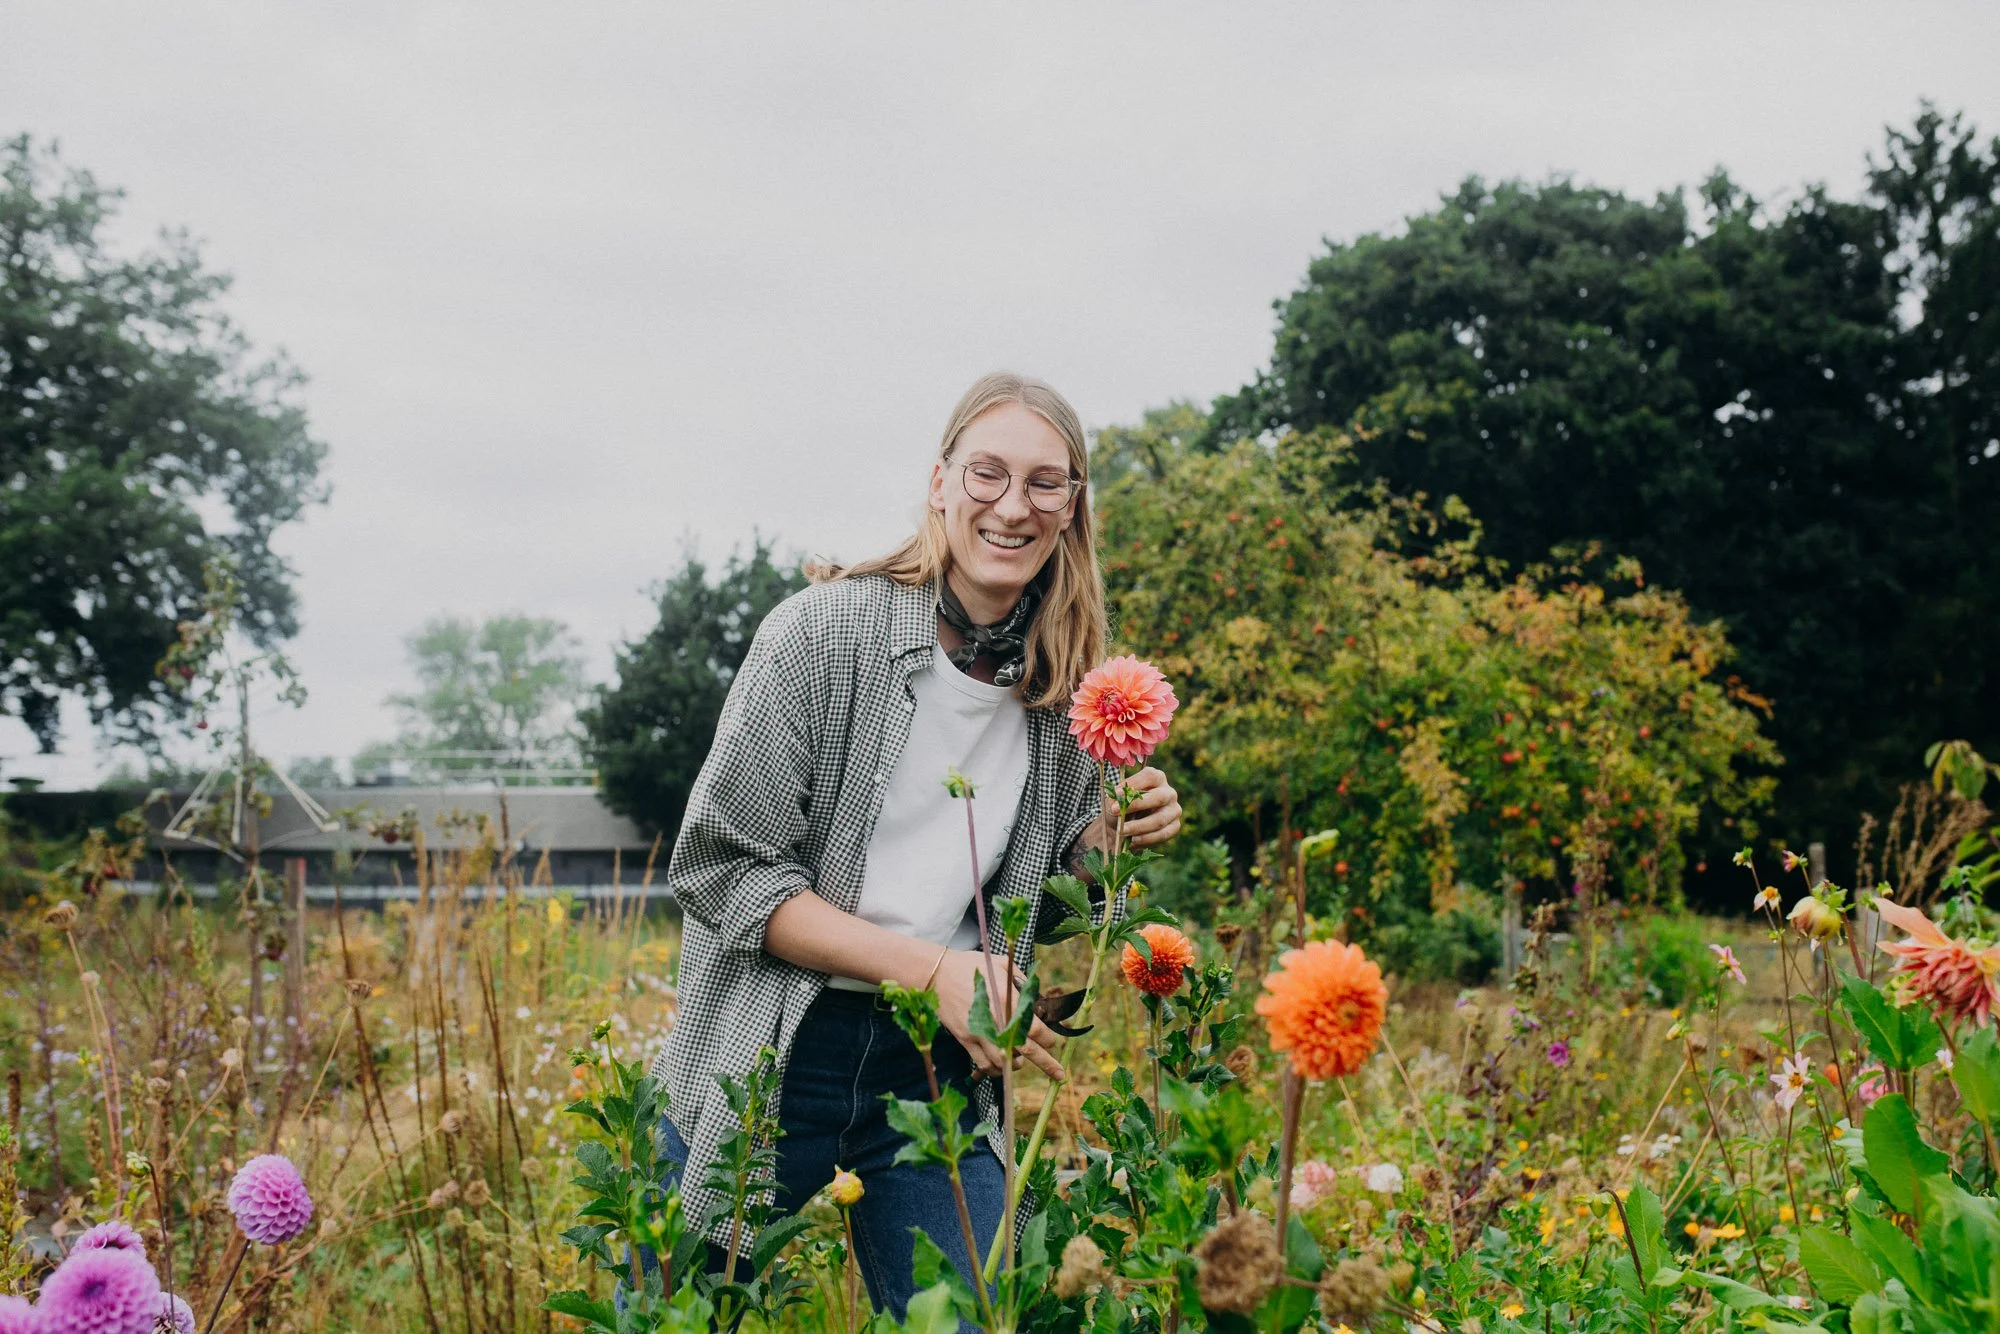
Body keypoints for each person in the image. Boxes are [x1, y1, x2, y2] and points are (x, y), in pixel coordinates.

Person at [648, 371, 1183, 1319]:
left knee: (977, 1316)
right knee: (683, 1313)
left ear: (1072, 506)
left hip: (934, 1069)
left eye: (1045, 483)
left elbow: (1067, 893)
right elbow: (722, 870)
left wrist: (1111, 839)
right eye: (988, 474)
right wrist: (933, 968)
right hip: (774, 1051)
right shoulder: (819, 635)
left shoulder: (1062, 679)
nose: (1012, 506)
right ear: (939, 482)